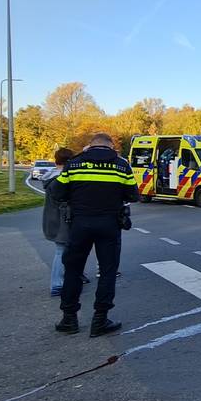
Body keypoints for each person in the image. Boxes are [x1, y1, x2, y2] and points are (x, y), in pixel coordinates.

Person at [53, 132, 139, 337]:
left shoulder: (74, 164)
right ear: (111, 146)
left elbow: (57, 192)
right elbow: (133, 194)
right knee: (108, 272)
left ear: (89, 146)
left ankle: (69, 319)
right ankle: (100, 320)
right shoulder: (121, 165)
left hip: (80, 224)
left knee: (73, 270)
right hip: (109, 224)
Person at [41, 147, 90, 297]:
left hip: (52, 219)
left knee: (67, 250)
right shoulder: (62, 179)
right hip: (64, 219)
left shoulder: (49, 176)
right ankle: (57, 284)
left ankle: (75, 276)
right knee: (62, 251)